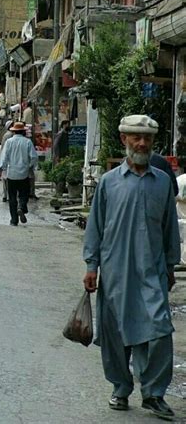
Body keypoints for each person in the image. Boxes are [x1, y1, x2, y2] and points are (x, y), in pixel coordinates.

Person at [83, 114, 181, 420]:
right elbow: (95, 227)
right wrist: (91, 265)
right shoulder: (110, 182)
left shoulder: (163, 182)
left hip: (151, 272)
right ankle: (120, 388)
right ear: (124, 139)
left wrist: (170, 266)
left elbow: (170, 231)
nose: (142, 143)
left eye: (147, 138)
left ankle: (153, 393)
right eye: (135, 137)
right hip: (115, 272)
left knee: (159, 332)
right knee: (114, 336)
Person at [0, 122, 37, 226]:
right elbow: (33, 157)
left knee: (12, 197)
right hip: (24, 173)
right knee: (24, 194)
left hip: (11, 174)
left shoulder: (9, 142)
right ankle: (21, 207)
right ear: (23, 131)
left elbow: (4, 157)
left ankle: (14, 220)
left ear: (13, 131)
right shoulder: (27, 142)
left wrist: (1, 170)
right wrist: (30, 167)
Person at [0, 120, 14, 202]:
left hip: (5, 159)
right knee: (8, 180)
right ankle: (7, 196)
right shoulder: (10, 135)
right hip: (9, 160)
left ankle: (5, 195)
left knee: (5, 180)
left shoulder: (6, 135)